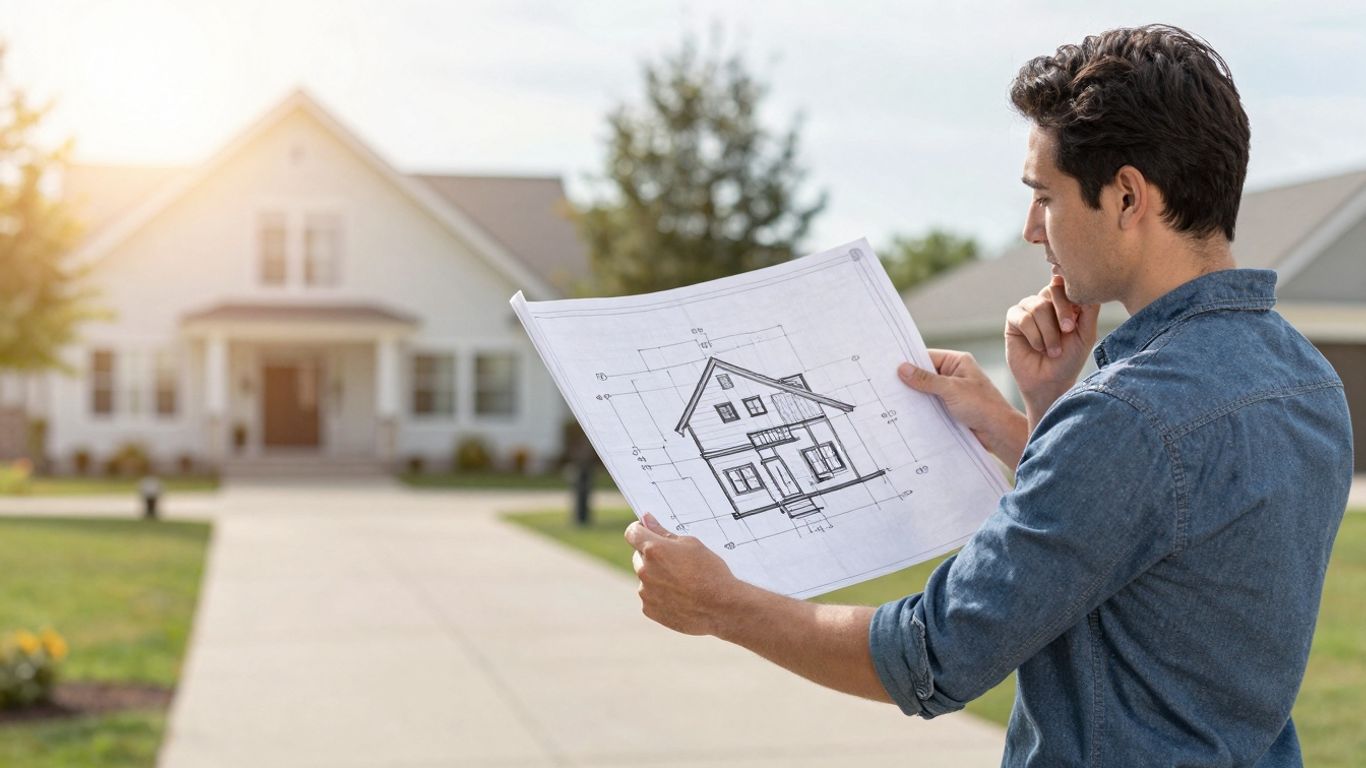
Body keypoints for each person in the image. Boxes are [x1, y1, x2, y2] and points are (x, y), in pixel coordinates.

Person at [625, 24, 1353, 767]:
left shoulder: (1128, 417)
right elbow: (1157, 549)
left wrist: (721, 605)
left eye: (1045, 196)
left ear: (1128, 196)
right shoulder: (1306, 379)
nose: (1032, 228)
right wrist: (1033, 415)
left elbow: (930, 657)